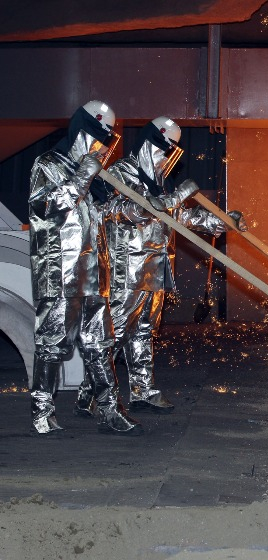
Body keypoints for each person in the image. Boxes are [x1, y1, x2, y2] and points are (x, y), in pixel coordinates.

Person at [74, 116, 247, 416]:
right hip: (126, 269)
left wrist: (222, 220)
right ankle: (90, 394)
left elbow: (181, 217)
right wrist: (175, 197)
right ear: (147, 145)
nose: (164, 158)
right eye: (161, 150)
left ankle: (143, 391)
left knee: (143, 333)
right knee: (112, 334)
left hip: (154, 269)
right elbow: (121, 210)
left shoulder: (158, 181)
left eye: (169, 152)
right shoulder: (120, 173)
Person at [28, 100, 143, 436]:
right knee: (51, 344)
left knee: (100, 344)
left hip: (94, 275)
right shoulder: (47, 164)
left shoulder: (92, 177)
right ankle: (42, 413)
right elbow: (46, 206)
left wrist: (136, 208)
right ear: (79, 132)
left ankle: (110, 412)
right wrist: (82, 176)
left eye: (102, 142)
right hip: (59, 271)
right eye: (93, 139)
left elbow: (107, 212)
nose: (98, 148)